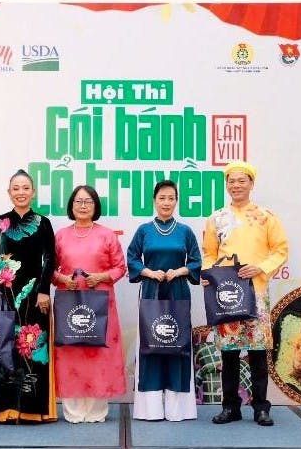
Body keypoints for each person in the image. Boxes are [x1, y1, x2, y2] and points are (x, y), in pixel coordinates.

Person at [202, 161, 288, 426]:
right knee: (228, 354)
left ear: (252, 184)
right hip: (226, 294)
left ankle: (261, 408)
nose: (236, 185)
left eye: (242, 180)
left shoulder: (266, 216)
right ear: (226, 185)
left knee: (258, 353)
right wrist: (208, 274)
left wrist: (260, 267)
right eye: (231, 181)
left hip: (256, 293)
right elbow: (209, 253)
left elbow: (281, 250)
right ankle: (230, 408)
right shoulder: (216, 218)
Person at [0, 169, 57, 424]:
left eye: (25, 188)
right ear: (9, 192)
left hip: (33, 296)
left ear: (33, 192)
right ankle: (2, 410)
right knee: (2, 349)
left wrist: (44, 290)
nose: (21, 192)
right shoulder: (0, 221)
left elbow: (50, 259)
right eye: (16, 188)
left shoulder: (43, 222)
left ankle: (31, 410)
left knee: (31, 348)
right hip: (3, 293)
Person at [126, 179, 202, 421]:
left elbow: (196, 261)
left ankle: (178, 409)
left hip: (178, 292)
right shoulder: (144, 230)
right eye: (162, 198)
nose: (166, 202)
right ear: (154, 201)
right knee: (151, 344)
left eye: (171, 198)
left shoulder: (185, 231)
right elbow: (132, 258)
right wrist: (148, 272)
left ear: (176, 201)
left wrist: (180, 271)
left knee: (177, 344)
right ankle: (150, 409)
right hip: (151, 292)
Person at [53, 185, 127, 423]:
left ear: (95, 206)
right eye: (78, 201)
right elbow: (49, 270)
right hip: (69, 302)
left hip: (100, 303)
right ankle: (73, 410)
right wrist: (63, 279)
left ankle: (96, 410)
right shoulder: (60, 236)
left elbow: (120, 267)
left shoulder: (107, 235)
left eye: (88, 202)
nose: (83, 206)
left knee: (98, 354)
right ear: (71, 205)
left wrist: (101, 277)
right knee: (71, 352)